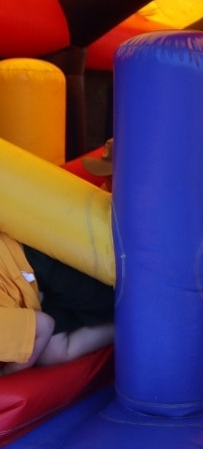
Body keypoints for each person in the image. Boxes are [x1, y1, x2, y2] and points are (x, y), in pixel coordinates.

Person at [0, 141, 116, 376]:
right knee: (53, 352)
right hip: (30, 282)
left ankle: (140, 314)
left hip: (37, 259)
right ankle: (130, 324)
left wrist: (8, 374)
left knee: (121, 294)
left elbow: (43, 325)